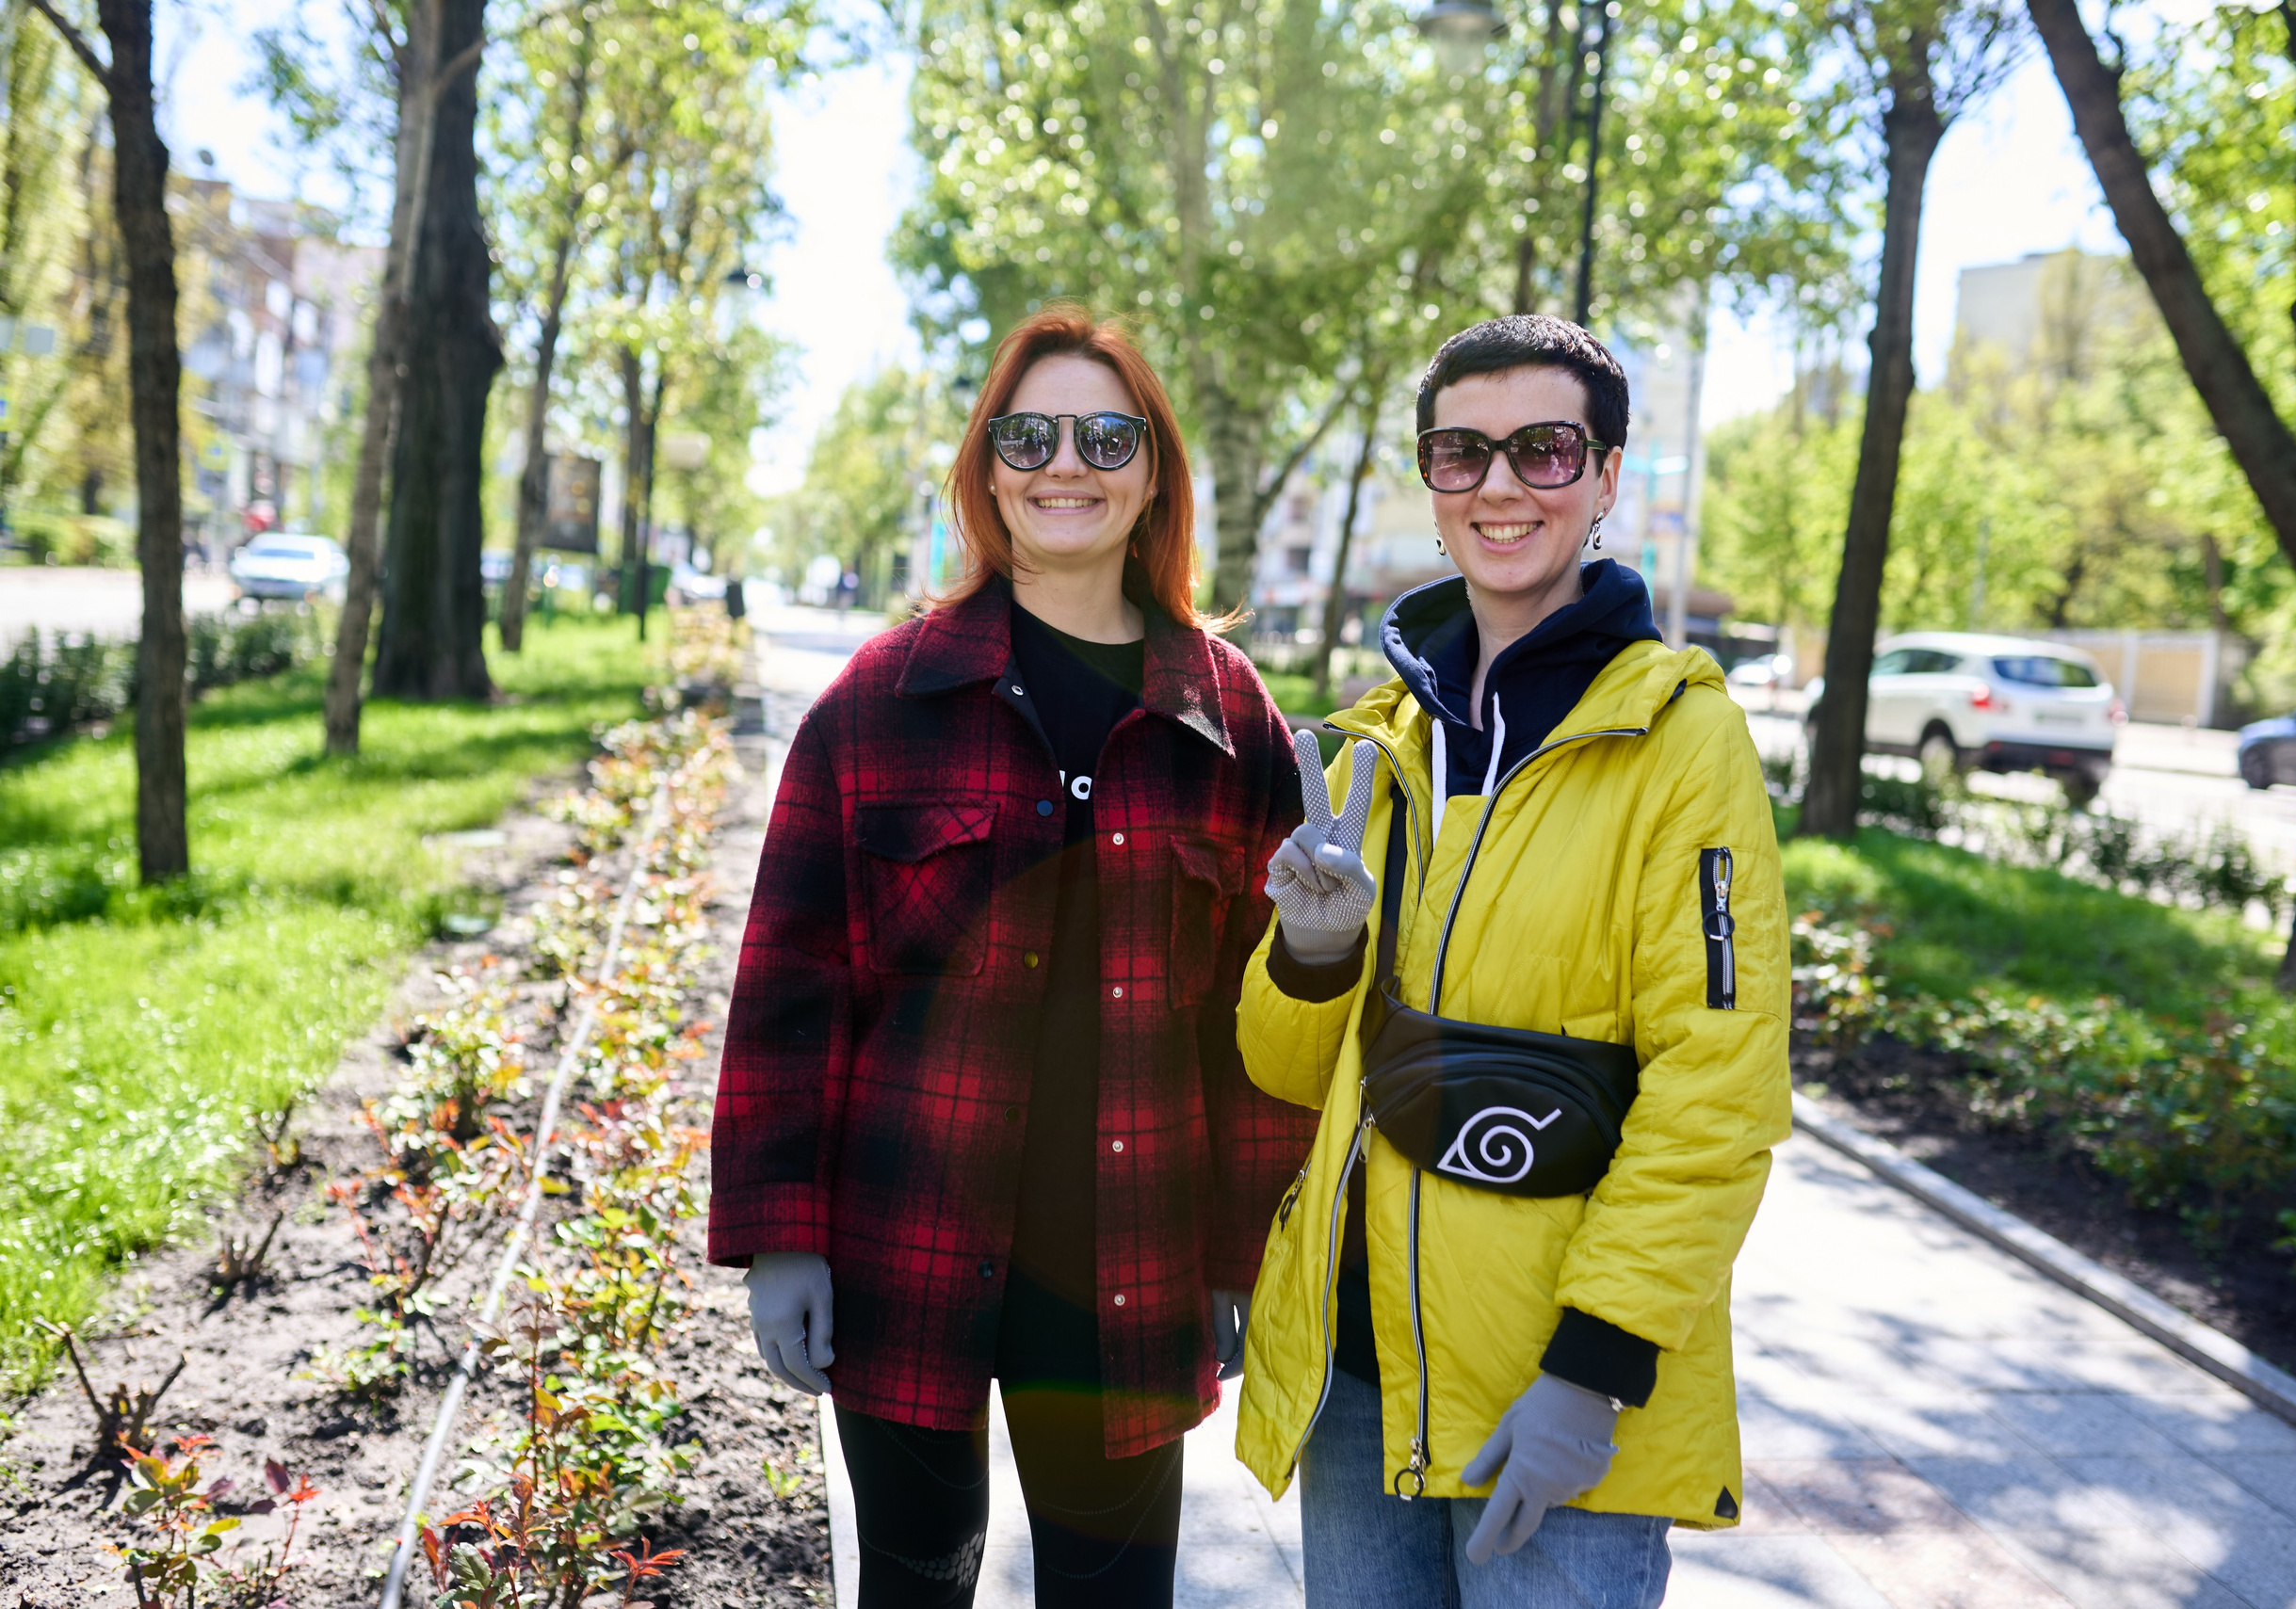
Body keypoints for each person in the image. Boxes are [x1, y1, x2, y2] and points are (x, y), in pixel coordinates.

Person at [708, 304, 1318, 1609]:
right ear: (986, 466)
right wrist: (781, 1239)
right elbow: (789, 986)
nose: (1067, 462)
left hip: (1132, 1260)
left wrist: (1239, 1257)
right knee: (919, 1581)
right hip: (904, 1246)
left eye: (1109, 434)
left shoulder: (1229, 718)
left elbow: (1255, 1034)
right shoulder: (878, 703)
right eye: (1029, 432)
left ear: (1154, 472)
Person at [1230, 315, 1789, 1607]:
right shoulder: (1379, 746)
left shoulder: (1680, 743)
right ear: (1429, 485)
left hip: (1554, 1394)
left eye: (1543, 450)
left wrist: (1592, 1371)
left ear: (1605, 478)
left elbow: (1718, 1088)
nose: (1498, 484)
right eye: (1460, 451)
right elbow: (1281, 1063)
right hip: (1361, 1379)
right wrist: (1313, 956)